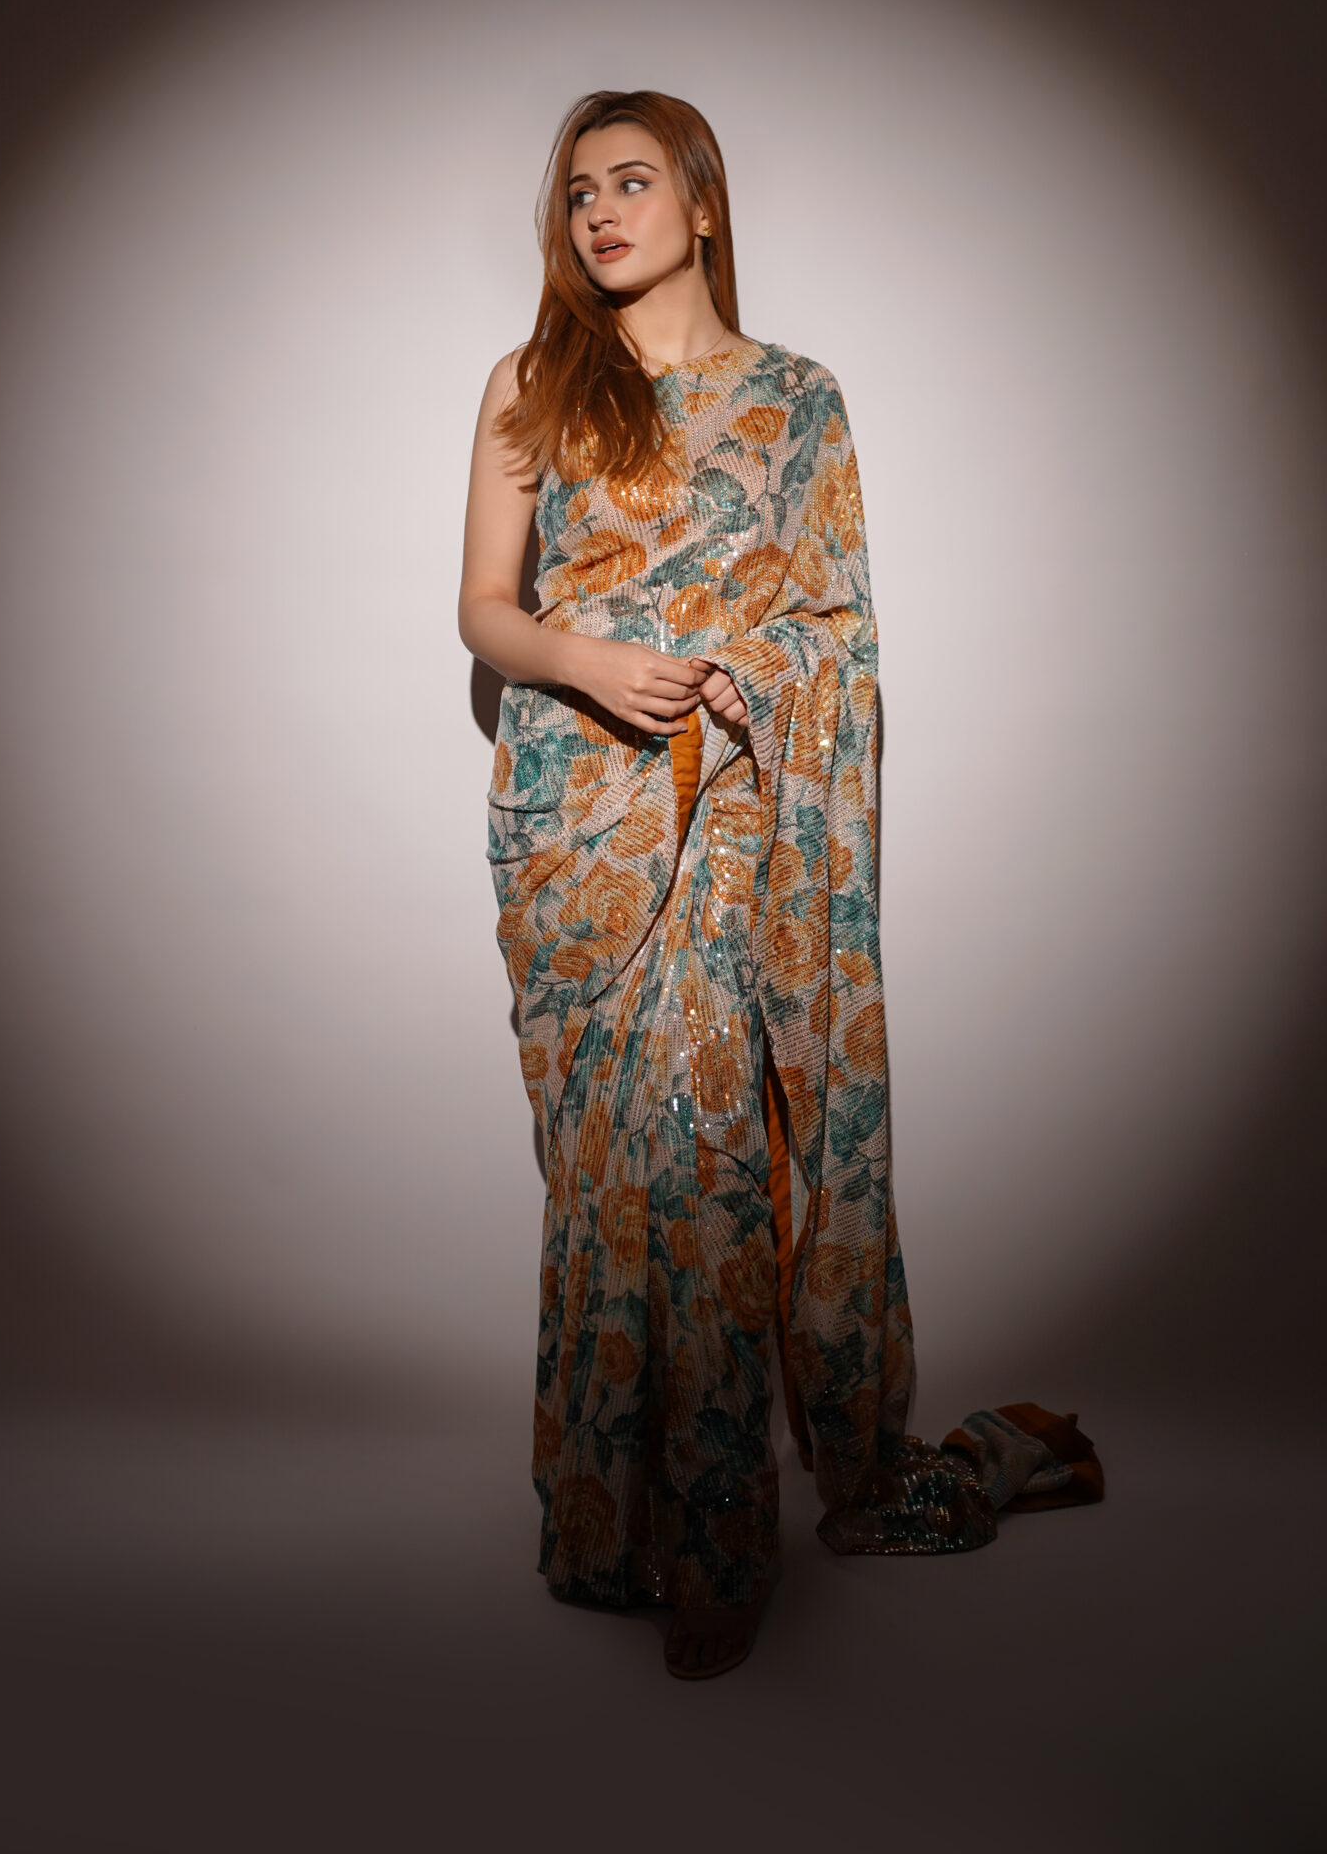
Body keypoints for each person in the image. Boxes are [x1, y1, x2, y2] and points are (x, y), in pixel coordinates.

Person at [458, 89, 1098, 1681]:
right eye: (579, 193)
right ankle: (607, 1525)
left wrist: (756, 676)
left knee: (708, 1153)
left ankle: (720, 1543)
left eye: (633, 182)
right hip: (576, 818)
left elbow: (838, 628)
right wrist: (592, 663)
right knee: (609, 1180)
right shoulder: (535, 384)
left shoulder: (798, 400)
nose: (601, 213)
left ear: (702, 204)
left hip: (739, 809)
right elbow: (484, 610)